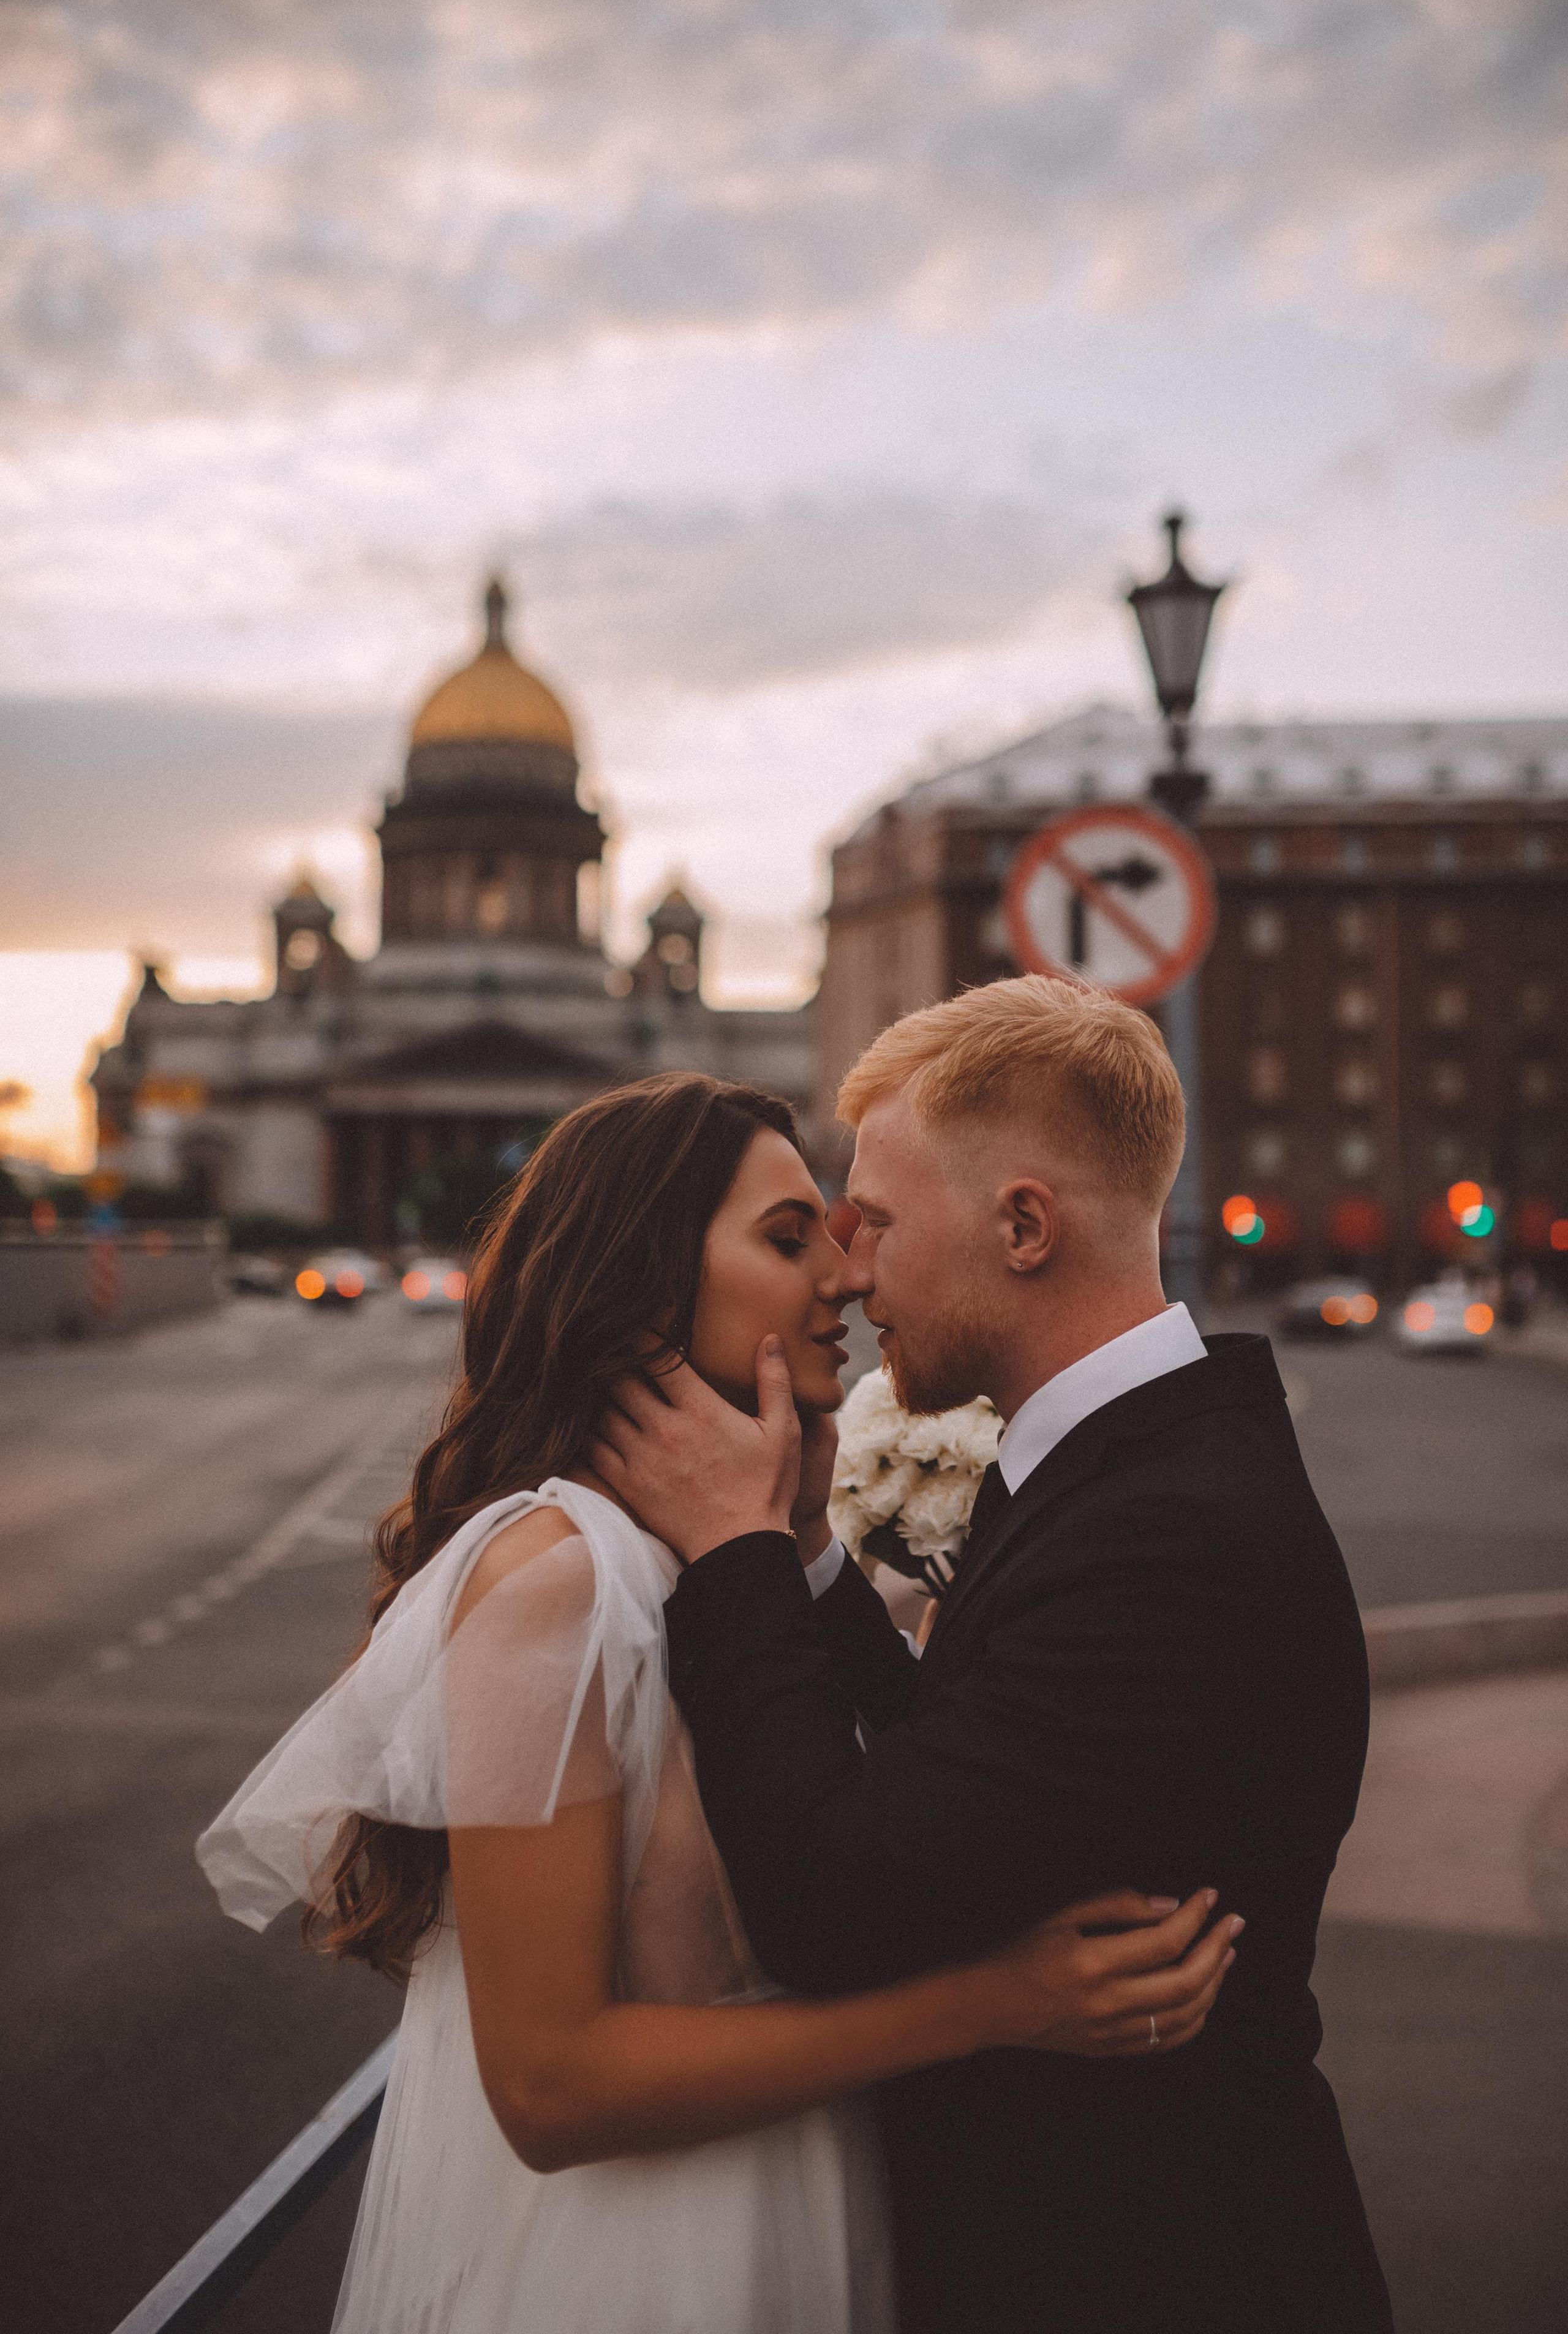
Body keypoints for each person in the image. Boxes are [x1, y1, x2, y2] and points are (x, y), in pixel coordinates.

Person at [197, 1072, 1235, 2334]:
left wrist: (795, 1536)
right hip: (643, 2270)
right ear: (641, 1281)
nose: (848, 1281)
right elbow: (547, 2083)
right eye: (788, 1239)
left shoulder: (724, 1556)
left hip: (800, 2216)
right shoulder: (559, 1577)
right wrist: (989, 2003)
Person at [593, 984, 1394, 2334]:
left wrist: (729, 1552)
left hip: (1144, 2273)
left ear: (1023, 1225)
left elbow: (827, 1900)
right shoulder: (1137, 1464)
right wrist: (805, 1551)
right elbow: (983, 1776)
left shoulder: (1165, 1534)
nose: (851, 1275)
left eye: (880, 1225)